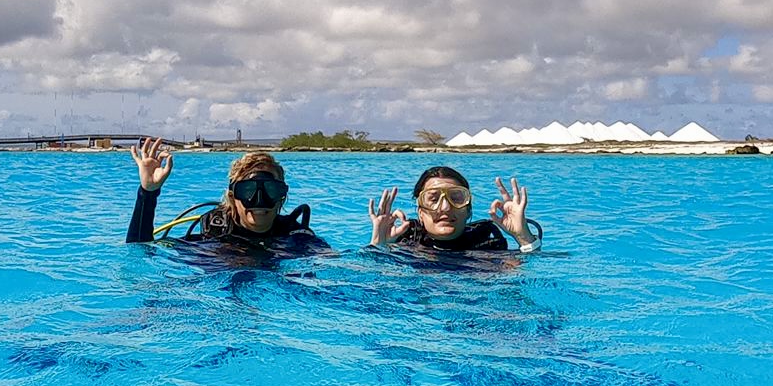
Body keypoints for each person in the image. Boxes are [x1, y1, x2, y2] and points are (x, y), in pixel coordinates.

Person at [124, 138, 329, 254]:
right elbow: (139, 251)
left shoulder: (296, 236)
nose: (260, 200)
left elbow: (339, 264)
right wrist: (148, 193)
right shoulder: (212, 237)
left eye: (270, 190)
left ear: (282, 197)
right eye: (248, 191)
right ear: (232, 196)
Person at [368, 164, 542, 254]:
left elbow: (528, 278)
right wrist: (379, 245)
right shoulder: (404, 248)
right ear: (420, 212)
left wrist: (524, 238)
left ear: (467, 210)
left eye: (456, 198)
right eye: (433, 199)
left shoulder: (487, 249)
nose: (445, 207)